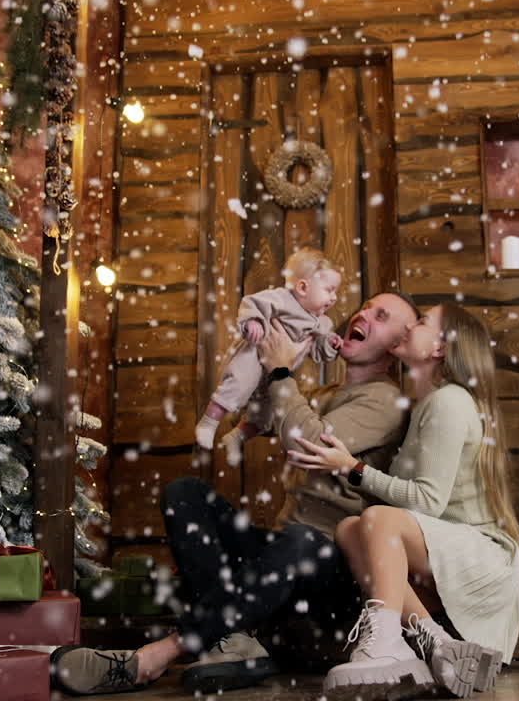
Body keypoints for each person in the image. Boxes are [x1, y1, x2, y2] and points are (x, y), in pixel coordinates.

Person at [49, 291, 420, 696]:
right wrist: (250, 368)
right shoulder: (328, 394)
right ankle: (235, 641)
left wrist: (281, 373)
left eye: (380, 316)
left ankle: (159, 654)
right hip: (283, 556)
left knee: (301, 541)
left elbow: (307, 442)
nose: (363, 313)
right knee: (186, 493)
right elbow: (268, 415)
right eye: (367, 306)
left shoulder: (387, 401)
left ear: (397, 347)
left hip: (335, 574)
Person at [288, 302, 519, 698]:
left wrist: (353, 469)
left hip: (483, 560)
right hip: (444, 555)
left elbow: (426, 503)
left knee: (380, 519)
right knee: (350, 529)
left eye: (421, 323)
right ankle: (437, 642)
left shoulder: (449, 401)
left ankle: (384, 640)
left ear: (440, 349)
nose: (410, 328)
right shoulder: (425, 406)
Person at [193, 247, 344, 465]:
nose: (334, 297)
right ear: (303, 287)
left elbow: (318, 353)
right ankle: (208, 423)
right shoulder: (281, 299)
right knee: (237, 385)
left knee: (265, 416)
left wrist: (330, 344)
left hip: (274, 374)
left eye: (335, 292)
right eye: (329, 290)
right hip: (254, 356)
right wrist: (252, 322)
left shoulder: (323, 323)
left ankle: (236, 437)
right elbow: (252, 304)